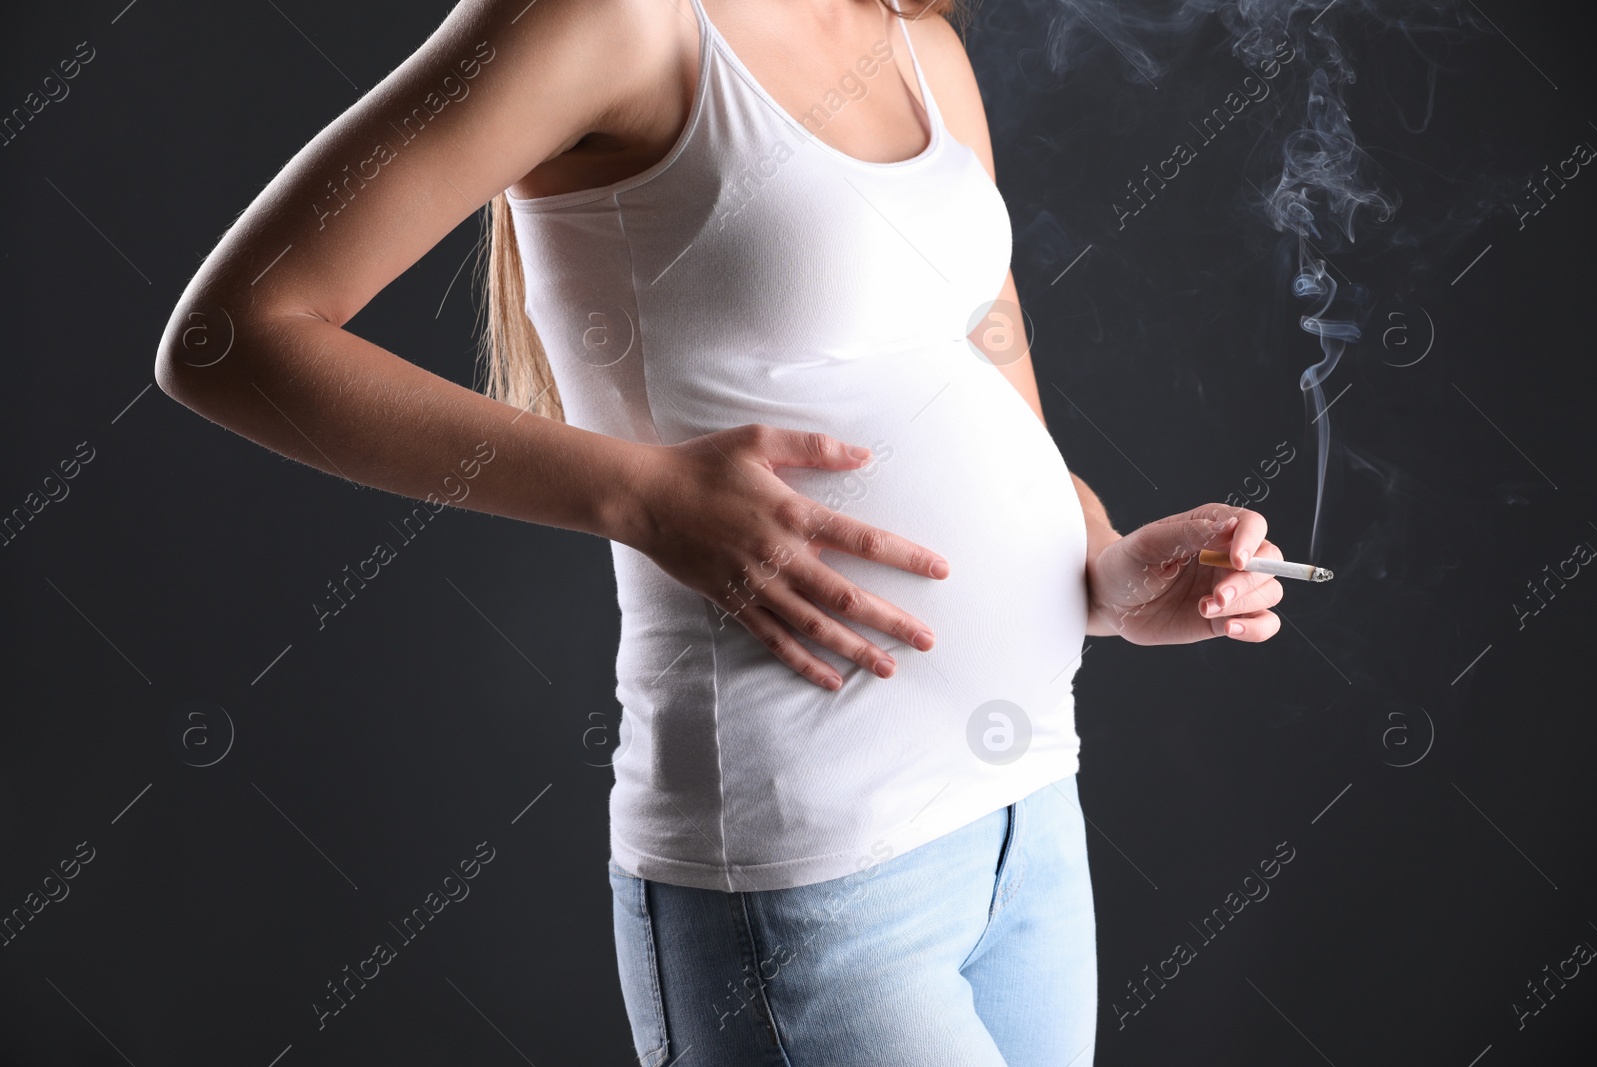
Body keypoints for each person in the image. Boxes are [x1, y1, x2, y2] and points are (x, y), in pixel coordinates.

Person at [154, 0, 1285, 1062]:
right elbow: (232, 337)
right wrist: (635, 495)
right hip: (813, 873)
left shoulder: (912, 41)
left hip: (1028, 814)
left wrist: (1105, 566)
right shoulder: (606, 22)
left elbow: (983, 374)